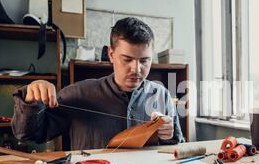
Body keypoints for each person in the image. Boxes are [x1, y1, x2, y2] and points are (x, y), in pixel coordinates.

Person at [12, 17, 184, 150]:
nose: (136, 69)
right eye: (127, 59)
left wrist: (169, 136)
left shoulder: (161, 95)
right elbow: (27, 134)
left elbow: (178, 147)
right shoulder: (78, 94)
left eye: (145, 60)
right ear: (111, 54)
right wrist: (31, 100)